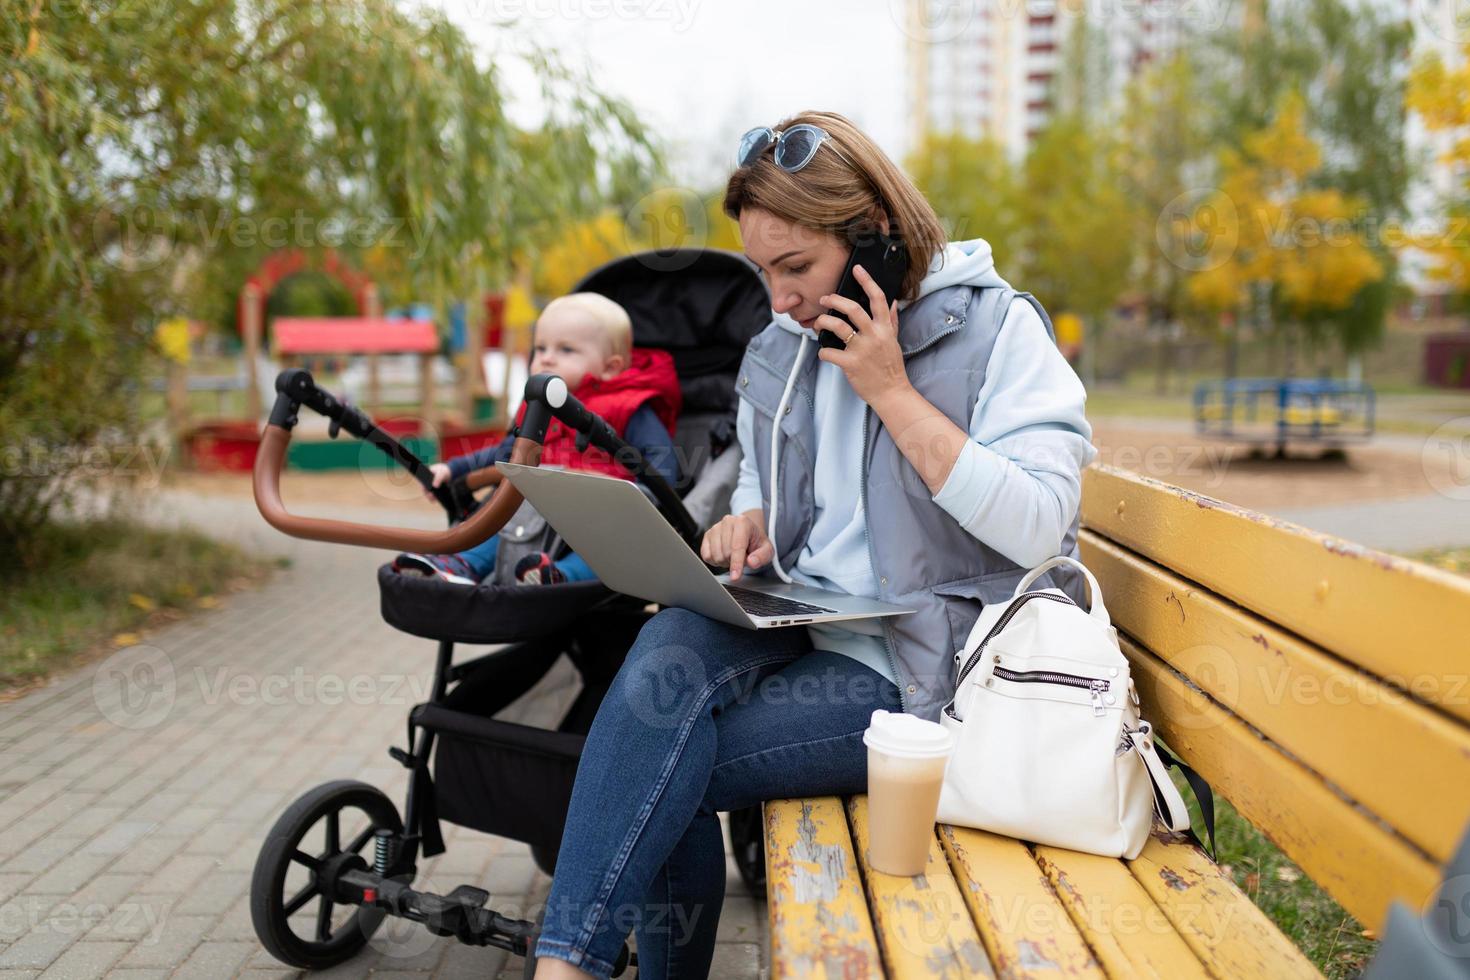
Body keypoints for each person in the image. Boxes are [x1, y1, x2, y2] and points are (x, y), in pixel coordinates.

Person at [530, 110, 1096, 980]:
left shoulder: (997, 332)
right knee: (661, 647)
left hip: (917, 663)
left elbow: (1040, 523)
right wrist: (748, 518)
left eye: (796, 267)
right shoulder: (781, 344)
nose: (780, 299)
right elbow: (763, 474)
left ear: (878, 241)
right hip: (793, 610)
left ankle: (572, 967)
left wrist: (893, 393)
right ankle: (567, 964)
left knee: (658, 765)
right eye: (764, 271)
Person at [394, 292, 681, 586]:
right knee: (503, 508)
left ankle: (560, 576)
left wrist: (643, 502)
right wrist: (454, 468)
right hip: (536, 509)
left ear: (610, 366)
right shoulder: (536, 406)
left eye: (566, 349)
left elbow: (662, 465)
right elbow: (505, 451)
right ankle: (461, 565)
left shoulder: (629, 405)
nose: (546, 357)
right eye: (540, 347)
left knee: (607, 549)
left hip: (600, 512)